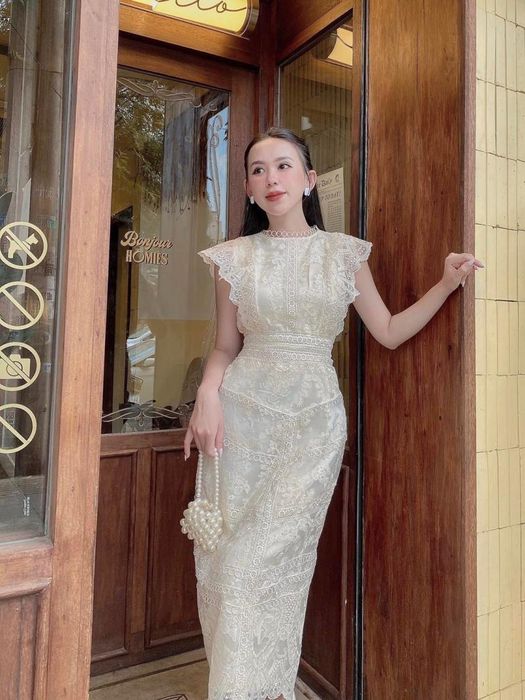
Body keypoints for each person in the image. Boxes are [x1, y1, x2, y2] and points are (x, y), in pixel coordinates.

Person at [183, 126, 483, 700]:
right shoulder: (232, 260)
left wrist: (446, 285)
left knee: (264, 566)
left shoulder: (343, 254)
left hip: (311, 429)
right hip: (240, 425)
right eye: (257, 170)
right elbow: (224, 348)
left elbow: (388, 330)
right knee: (226, 566)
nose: (271, 178)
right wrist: (207, 395)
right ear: (248, 189)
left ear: (309, 179)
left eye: (283, 166)